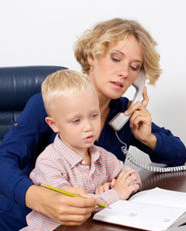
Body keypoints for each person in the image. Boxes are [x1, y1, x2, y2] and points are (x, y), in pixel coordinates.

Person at [0, 18, 186, 231]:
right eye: (116, 59)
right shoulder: (48, 105)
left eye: (135, 67)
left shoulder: (123, 114)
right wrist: (42, 198)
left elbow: (178, 154)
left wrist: (148, 138)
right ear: (91, 56)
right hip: (20, 224)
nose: (125, 73)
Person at [20, 69, 141, 231]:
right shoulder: (49, 162)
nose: (89, 127)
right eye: (76, 120)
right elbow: (74, 206)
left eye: (94, 116)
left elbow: (132, 178)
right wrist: (116, 194)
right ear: (53, 124)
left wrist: (113, 185)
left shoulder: (102, 156)